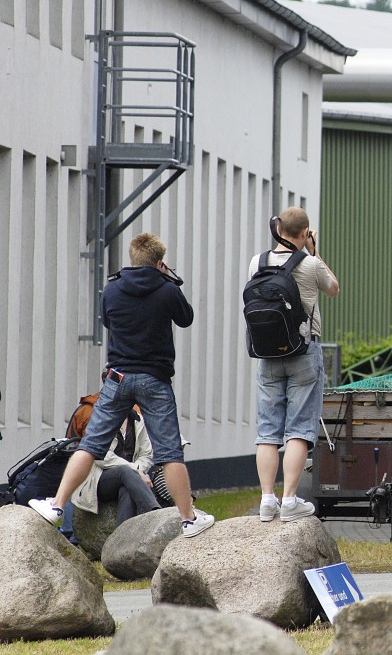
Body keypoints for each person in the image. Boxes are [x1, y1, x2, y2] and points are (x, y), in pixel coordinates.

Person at [30, 233, 213, 538]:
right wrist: (169, 279)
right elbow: (186, 318)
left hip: (117, 378)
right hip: (154, 380)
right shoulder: (167, 290)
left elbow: (108, 322)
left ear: (132, 258)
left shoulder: (112, 290)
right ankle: (188, 519)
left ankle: (56, 505)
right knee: (169, 453)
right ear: (159, 262)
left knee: (90, 445)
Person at [250, 207, 340, 523]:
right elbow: (333, 288)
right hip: (303, 352)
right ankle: (289, 500)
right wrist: (314, 251)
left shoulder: (256, 262)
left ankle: (266, 500)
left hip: (267, 356)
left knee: (267, 431)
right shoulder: (310, 264)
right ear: (304, 234)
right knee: (300, 428)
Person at [72, 409, 160, 527]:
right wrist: (136, 470)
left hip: (130, 479)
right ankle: (153, 512)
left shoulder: (138, 419)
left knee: (128, 491)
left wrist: (137, 470)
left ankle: (121, 536)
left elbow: (147, 455)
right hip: (99, 480)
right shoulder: (101, 419)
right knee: (125, 471)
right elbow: (100, 456)